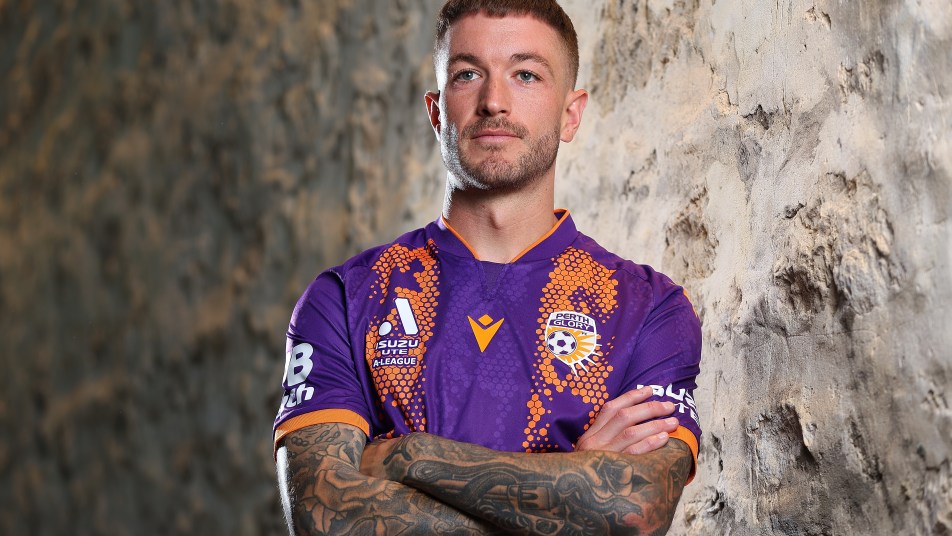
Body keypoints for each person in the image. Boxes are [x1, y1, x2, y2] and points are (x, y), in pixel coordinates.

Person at [273, 0, 702, 534]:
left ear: (570, 115)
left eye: (526, 75)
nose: (494, 101)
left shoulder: (650, 308)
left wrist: (408, 456)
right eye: (468, 74)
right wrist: (571, 485)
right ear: (436, 112)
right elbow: (325, 516)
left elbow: (635, 510)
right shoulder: (344, 298)